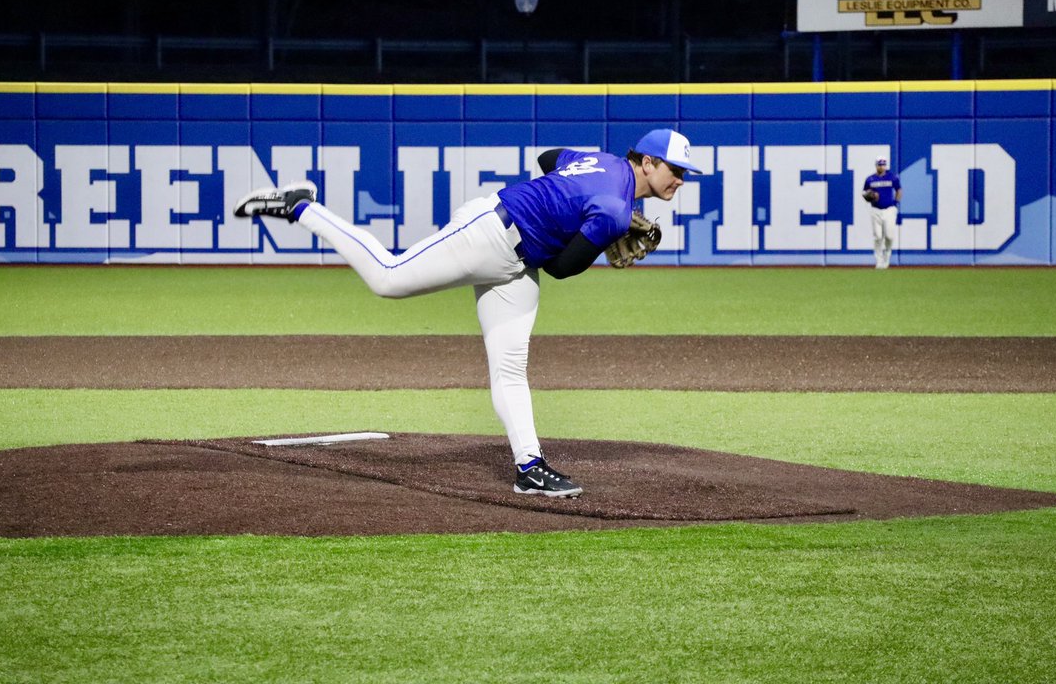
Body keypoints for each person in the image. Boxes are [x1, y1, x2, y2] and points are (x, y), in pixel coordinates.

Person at [233, 128, 704, 498]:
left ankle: (530, 468)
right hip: (489, 235)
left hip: (516, 263)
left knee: (510, 368)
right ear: (647, 161)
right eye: (675, 169)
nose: (679, 180)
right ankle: (301, 207)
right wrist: (596, 235)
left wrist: (560, 206)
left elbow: (549, 161)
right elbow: (562, 269)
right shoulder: (616, 209)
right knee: (388, 277)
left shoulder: (596, 161)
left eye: (684, 173)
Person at [863, 155, 902, 269]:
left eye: (884, 164)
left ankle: (887, 253)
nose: (882, 166)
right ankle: (879, 260)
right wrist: (870, 196)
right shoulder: (870, 179)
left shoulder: (892, 177)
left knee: (889, 235)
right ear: (876, 165)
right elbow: (865, 193)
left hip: (889, 209)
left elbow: (899, 190)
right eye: (880, 164)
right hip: (875, 210)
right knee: (878, 236)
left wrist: (895, 203)